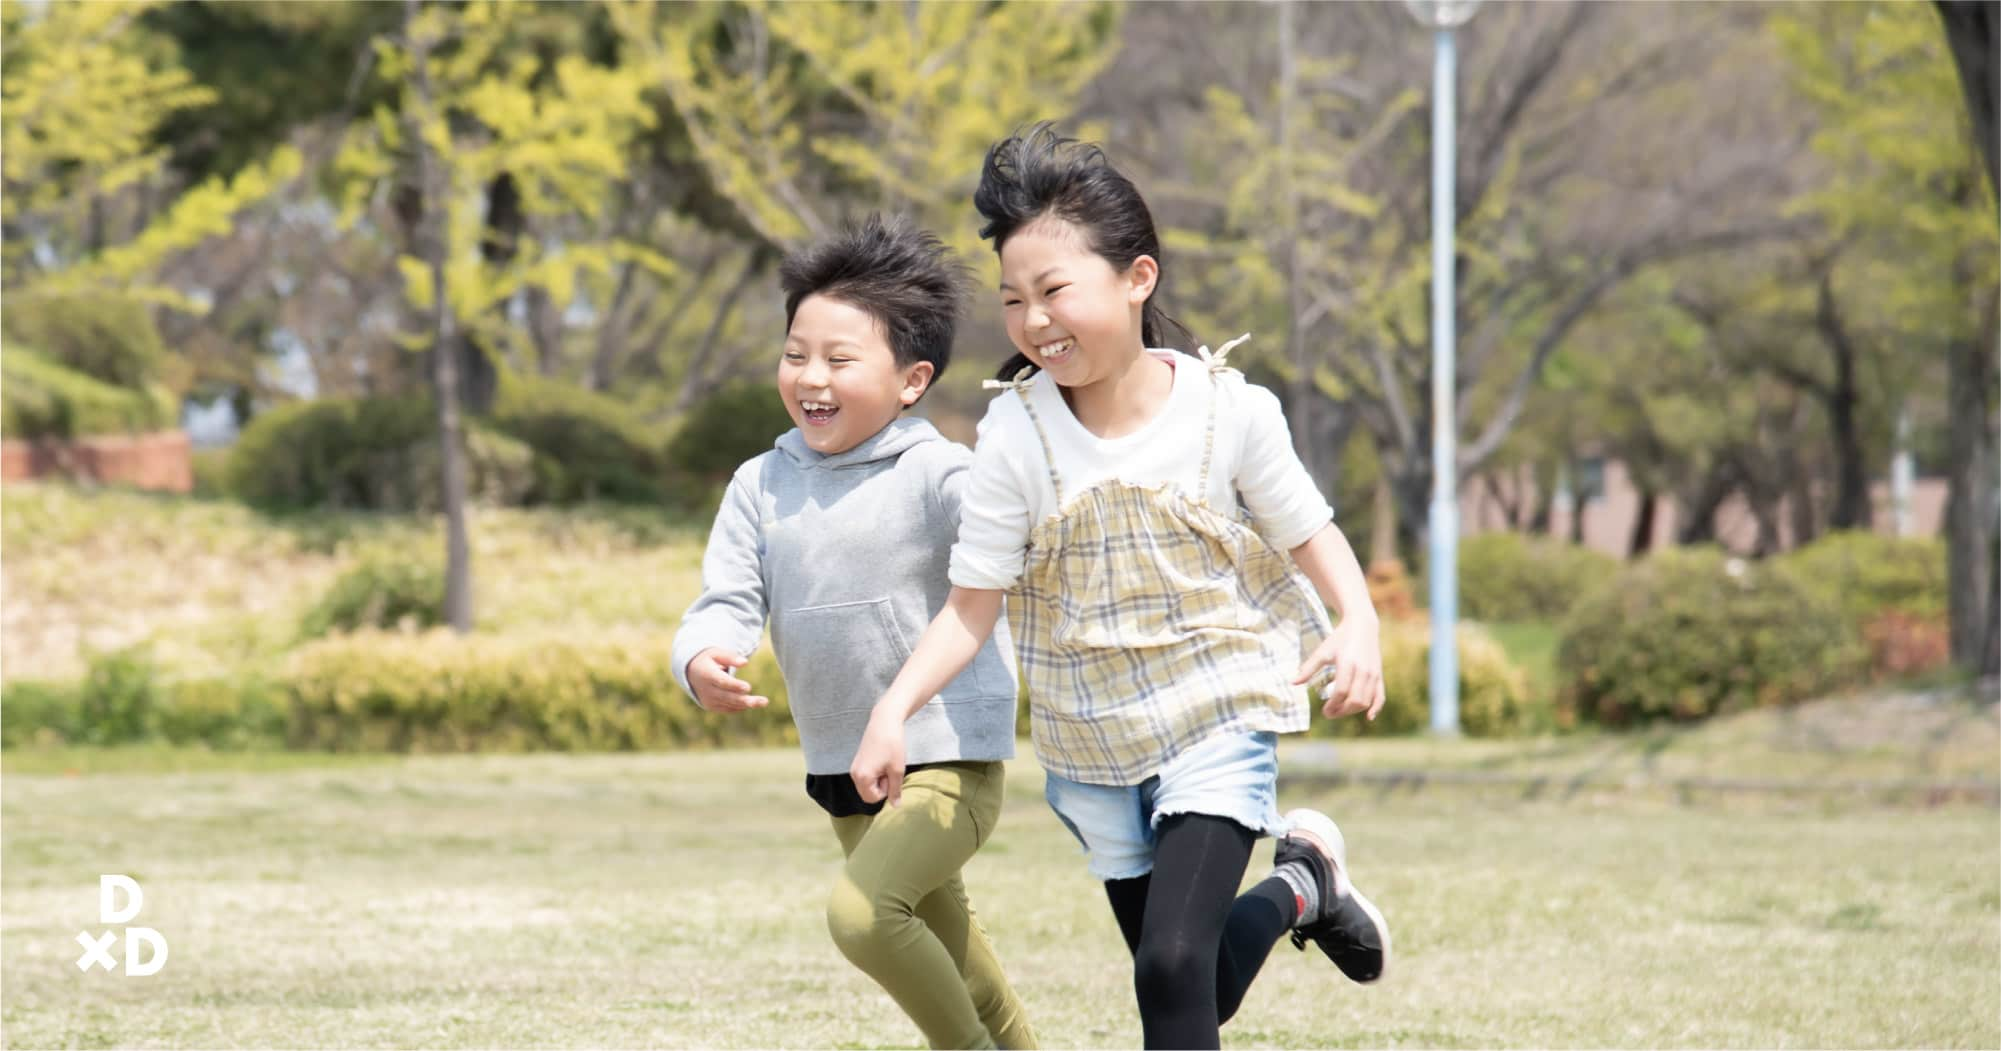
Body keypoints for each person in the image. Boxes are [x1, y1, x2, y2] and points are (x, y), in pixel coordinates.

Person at [850, 124, 1390, 1050]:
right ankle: (1306, 882)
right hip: (1093, 735)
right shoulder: (1013, 438)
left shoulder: (1228, 411)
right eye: (1015, 301)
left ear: (1136, 279)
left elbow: (1310, 530)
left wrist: (1359, 620)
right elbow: (970, 606)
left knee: (1170, 968)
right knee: (1196, 985)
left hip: (1216, 706)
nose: (1034, 321)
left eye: (1055, 291)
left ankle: (1299, 877)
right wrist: (893, 708)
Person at [672, 215, 1035, 1050]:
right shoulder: (759, 482)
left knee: (866, 915)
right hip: (841, 765)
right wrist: (699, 657)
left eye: (840, 360)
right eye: (796, 354)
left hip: (947, 757)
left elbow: (1012, 540)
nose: (810, 377)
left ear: (911, 381)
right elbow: (726, 596)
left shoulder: (937, 470)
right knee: (961, 963)